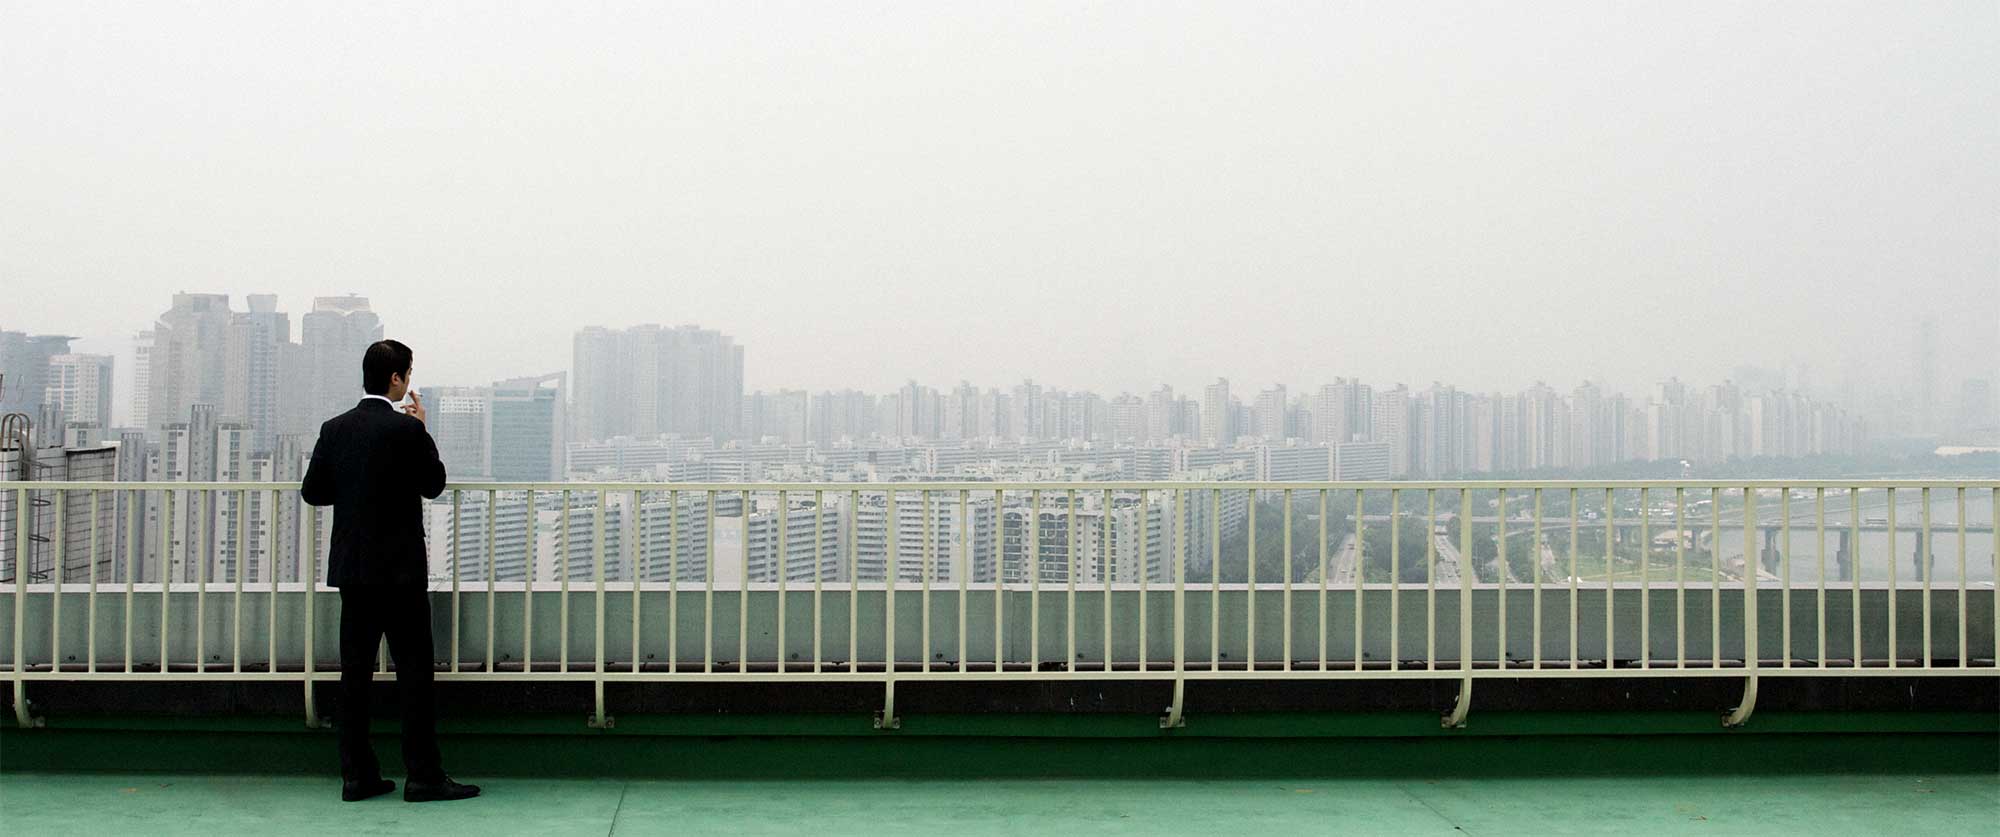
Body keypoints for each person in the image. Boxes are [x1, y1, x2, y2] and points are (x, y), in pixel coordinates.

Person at [301, 339, 480, 803]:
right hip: (400, 571)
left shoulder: (335, 429)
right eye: (407, 375)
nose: (408, 384)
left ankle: (356, 776)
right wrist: (422, 430)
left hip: (354, 570)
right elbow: (434, 484)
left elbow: (313, 492)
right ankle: (422, 776)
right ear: (396, 379)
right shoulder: (406, 431)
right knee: (415, 675)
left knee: (354, 676)